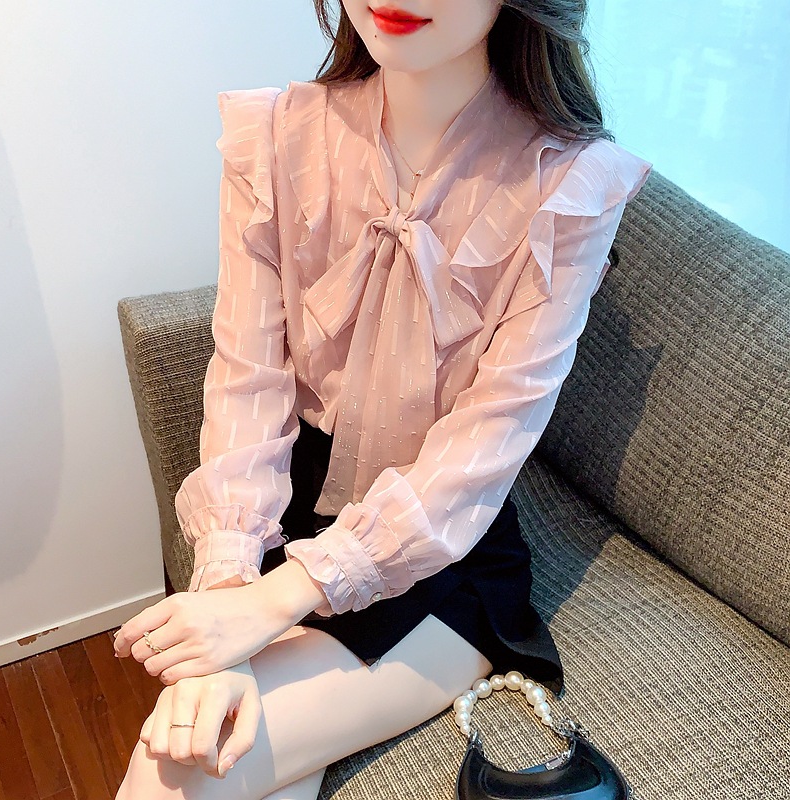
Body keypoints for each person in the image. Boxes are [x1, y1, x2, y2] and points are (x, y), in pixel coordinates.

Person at [114, 1, 652, 797]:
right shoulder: (274, 135)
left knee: (183, 768)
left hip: (437, 550)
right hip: (277, 512)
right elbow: (246, 382)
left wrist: (266, 610)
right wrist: (228, 587)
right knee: (217, 759)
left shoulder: (570, 185)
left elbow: (482, 449)